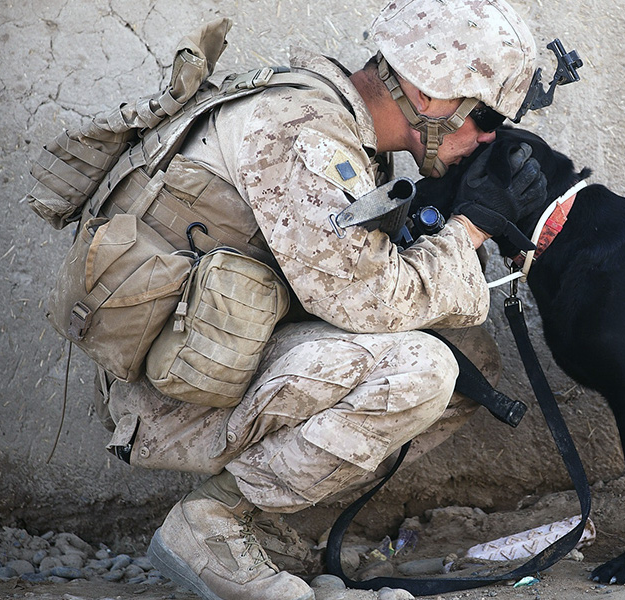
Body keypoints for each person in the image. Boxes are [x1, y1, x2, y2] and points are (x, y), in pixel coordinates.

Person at [96, 2, 564, 599]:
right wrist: (469, 230)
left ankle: (257, 517)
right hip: (167, 399)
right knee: (427, 372)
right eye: (486, 116)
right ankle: (212, 522)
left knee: (471, 361)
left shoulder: (337, 121)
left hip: (215, 355)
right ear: (427, 92)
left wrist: (439, 215)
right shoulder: (301, 135)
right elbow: (365, 298)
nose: (490, 137)